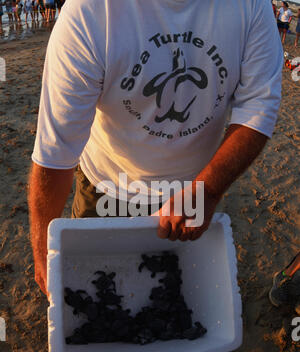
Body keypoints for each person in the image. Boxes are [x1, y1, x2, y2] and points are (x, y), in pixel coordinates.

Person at [28, 0, 284, 296]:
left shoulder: (250, 5)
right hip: (106, 187)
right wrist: (44, 249)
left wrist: (209, 189)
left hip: (196, 188)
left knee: (178, 296)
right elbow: (57, 148)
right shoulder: (91, 12)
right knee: (94, 294)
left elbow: (259, 103)